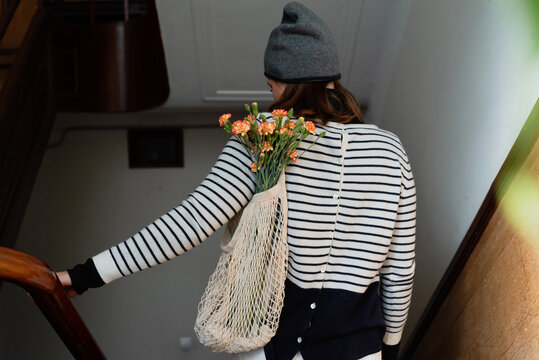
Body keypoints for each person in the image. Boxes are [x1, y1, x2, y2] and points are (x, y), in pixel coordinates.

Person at [57, 2, 416, 360]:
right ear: (330, 78)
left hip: (277, 346)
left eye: (271, 85)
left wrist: (86, 275)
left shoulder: (264, 138)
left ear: (281, 83)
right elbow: (399, 269)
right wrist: (391, 345)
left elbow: (190, 222)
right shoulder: (390, 149)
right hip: (361, 350)